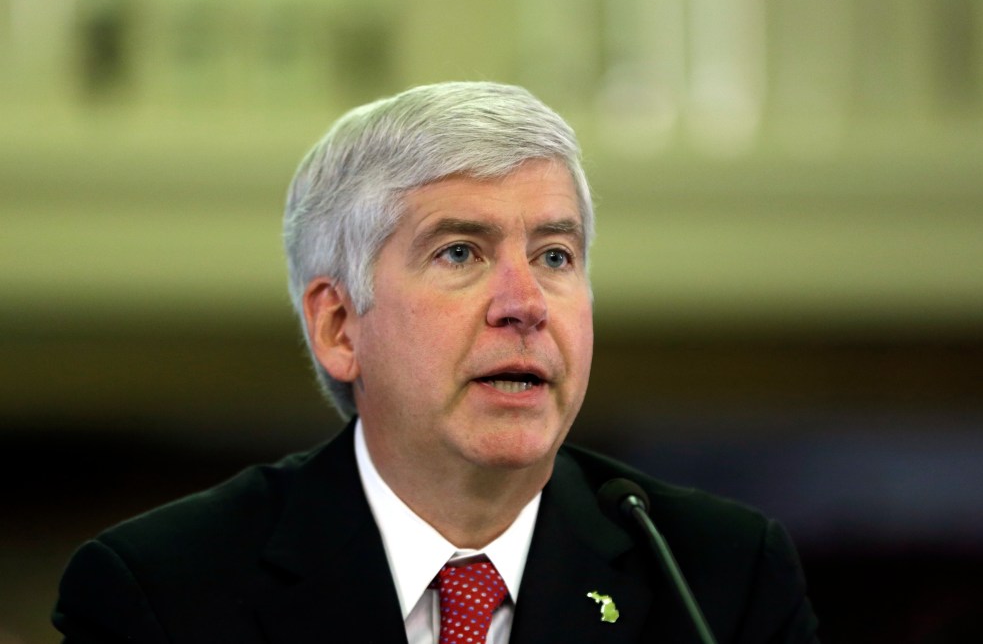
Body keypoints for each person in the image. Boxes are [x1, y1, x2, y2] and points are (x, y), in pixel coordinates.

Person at [53, 82, 819, 643]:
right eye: (461, 252)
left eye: (555, 254)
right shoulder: (161, 594)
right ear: (339, 324)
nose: (525, 303)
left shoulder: (716, 579)